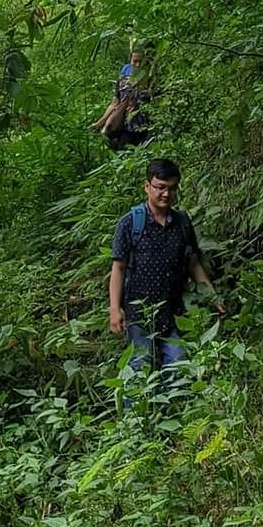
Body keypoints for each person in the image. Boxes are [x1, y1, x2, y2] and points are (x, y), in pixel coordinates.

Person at [109, 158, 223, 373]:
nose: (166, 194)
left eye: (172, 188)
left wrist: (213, 296)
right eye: (160, 187)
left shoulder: (181, 222)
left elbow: (193, 263)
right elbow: (118, 268)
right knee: (140, 368)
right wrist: (115, 309)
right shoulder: (130, 223)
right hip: (139, 313)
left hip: (173, 312)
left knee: (179, 365)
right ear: (147, 186)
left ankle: (173, 406)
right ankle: (136, 407)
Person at [91, 46, 155, 151]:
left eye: (141, 62)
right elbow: (115, 103)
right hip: (123, 127)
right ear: (130, 60)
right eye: (135, 61)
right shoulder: (124, 77)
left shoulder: (152, 79)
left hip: (143, 129)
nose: (138, 65)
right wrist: (100, 122)